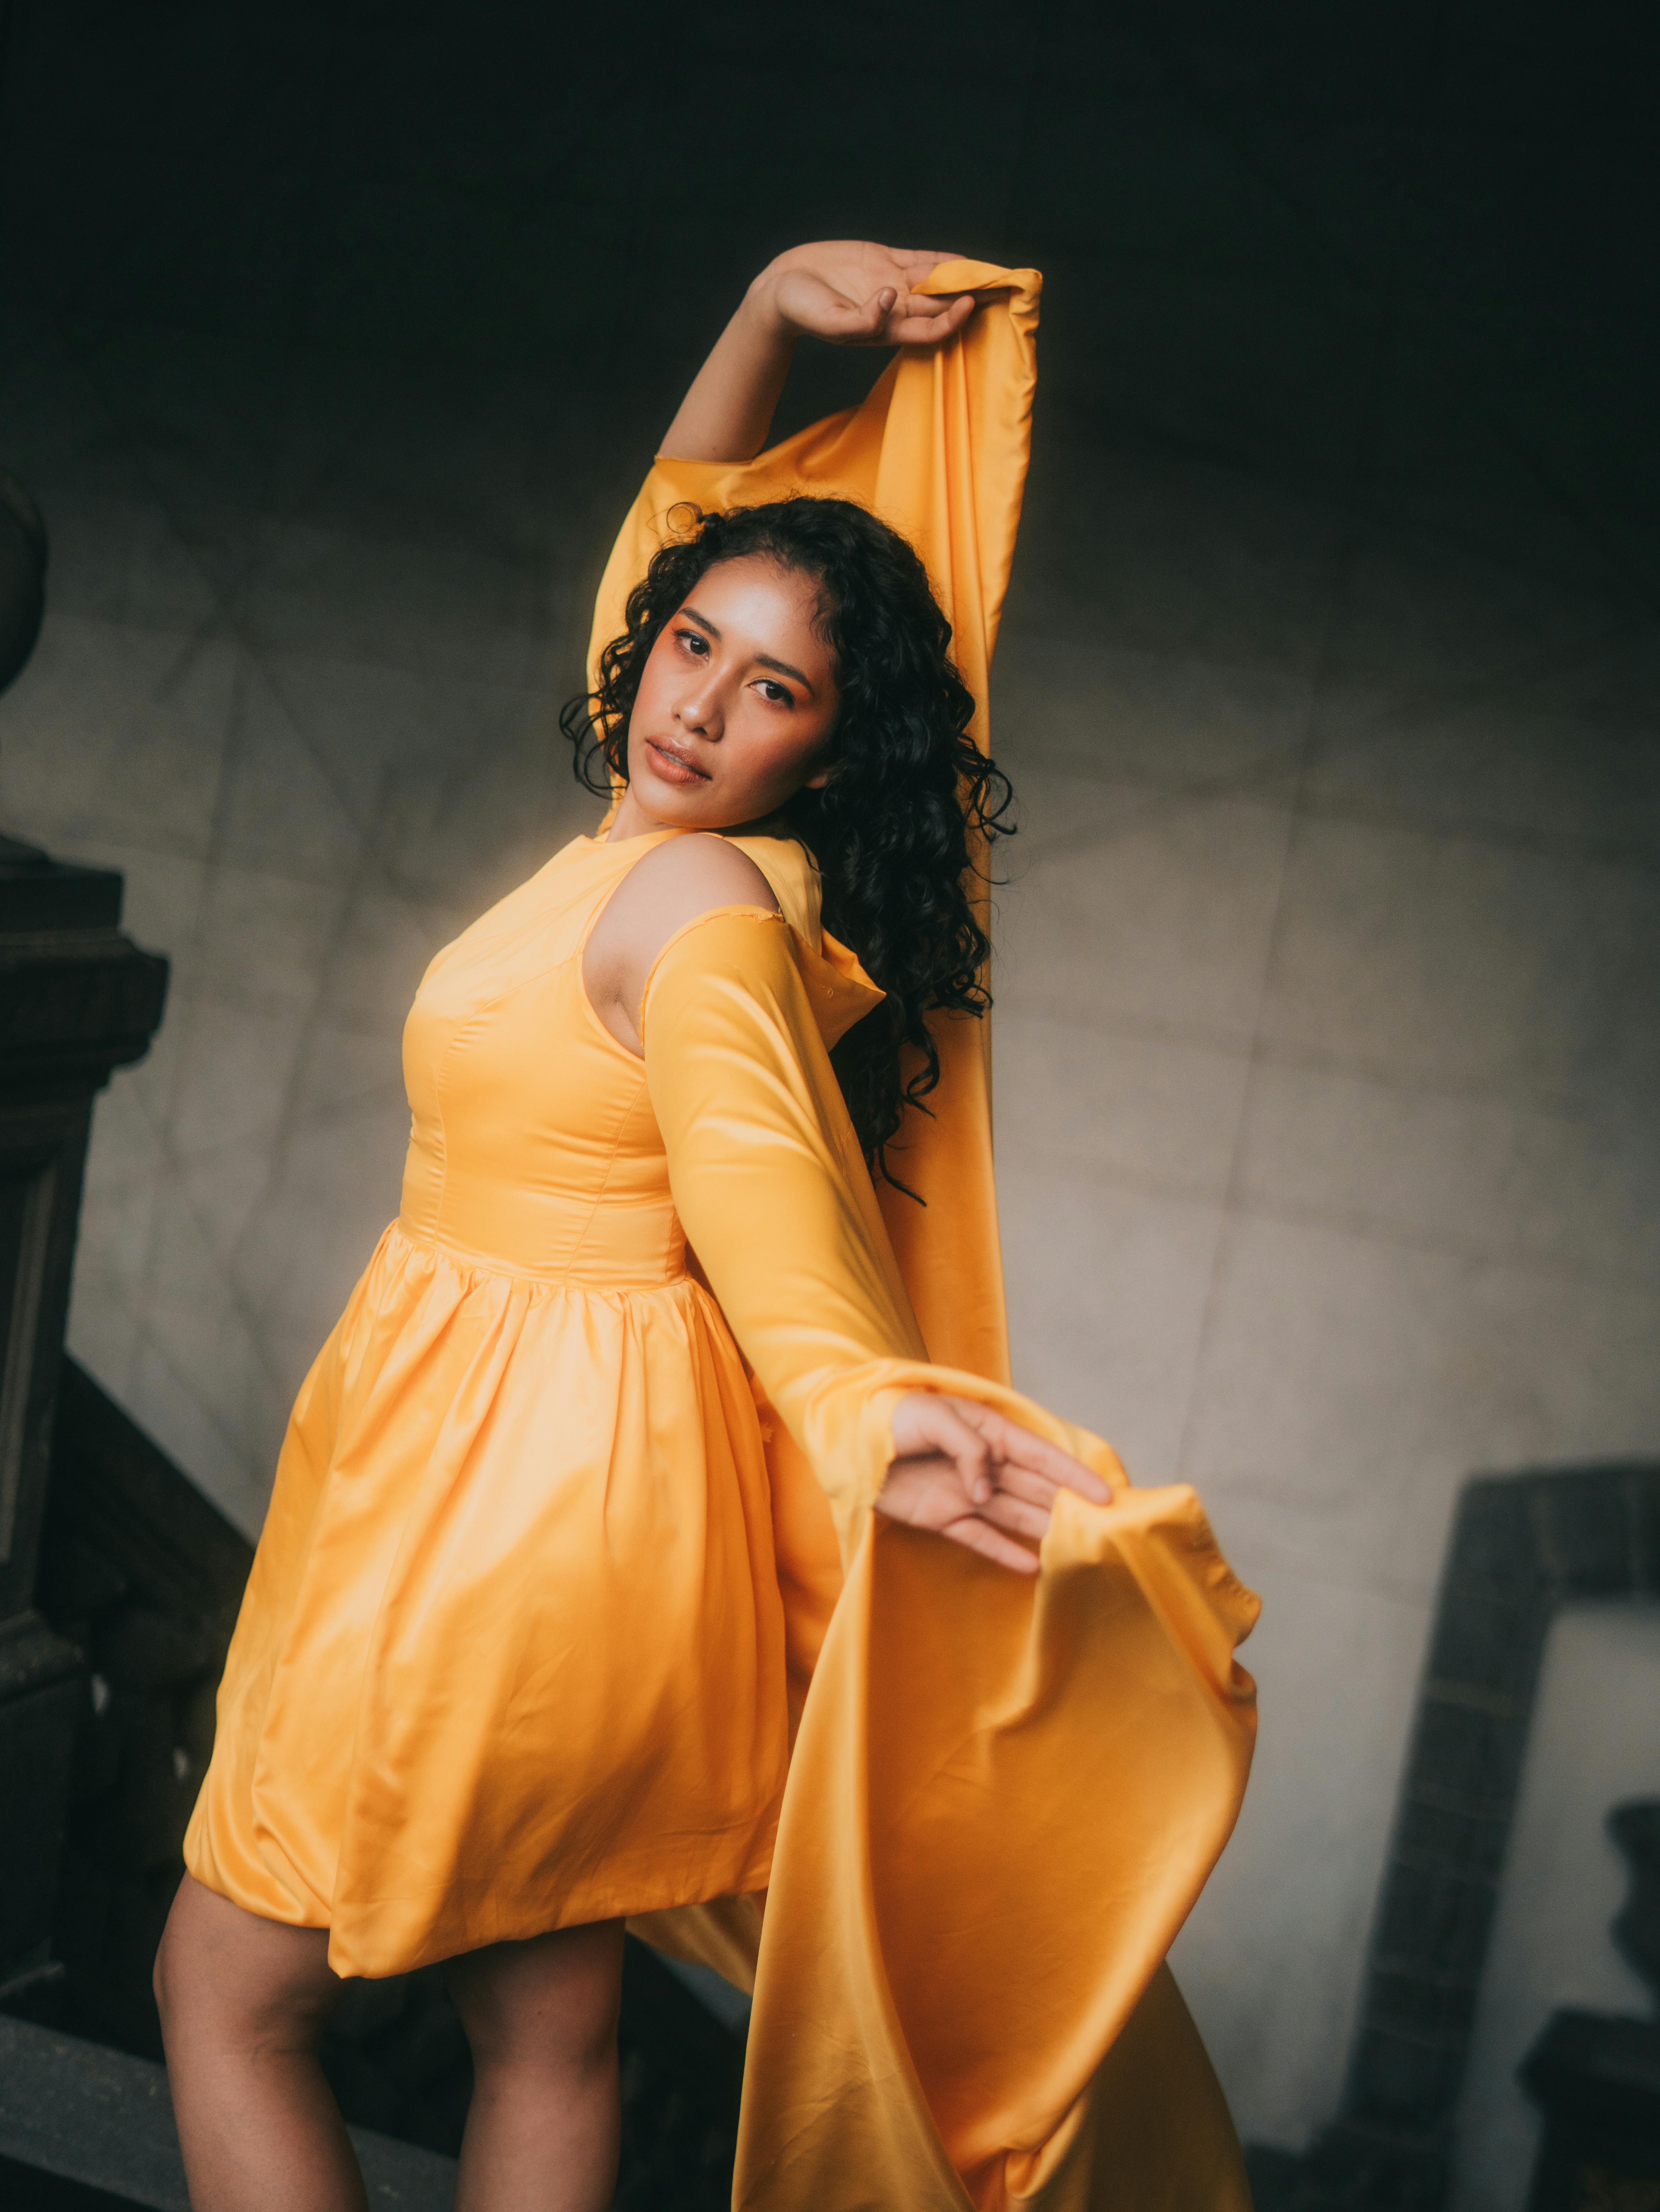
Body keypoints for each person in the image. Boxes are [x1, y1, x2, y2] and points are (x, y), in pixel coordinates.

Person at [154, 241, 1261, 2212]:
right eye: (692, 648)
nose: (698, 705)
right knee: (549, 2024)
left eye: (775, 692)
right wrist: (767, 313)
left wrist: (857, 1405)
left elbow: (764, 1191)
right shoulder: (659, 835)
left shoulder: (699, 913)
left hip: (513, 1511)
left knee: (222, 1993)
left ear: (824, 753)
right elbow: (675, 541)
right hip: (575, 1501)